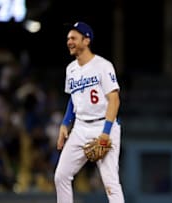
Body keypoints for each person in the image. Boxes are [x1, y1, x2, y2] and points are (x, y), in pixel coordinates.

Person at [54, 21, 125, 203]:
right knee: (61, 176)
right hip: (80, 127)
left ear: (86, 41)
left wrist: (105, 133)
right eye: (68, 38)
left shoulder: (103, 65)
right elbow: (73, 98)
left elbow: (114, 100)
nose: (69, 41)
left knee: (110, 183)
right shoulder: (71, 69)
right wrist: (65, 123)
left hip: (103, 124)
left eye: (74, 38)